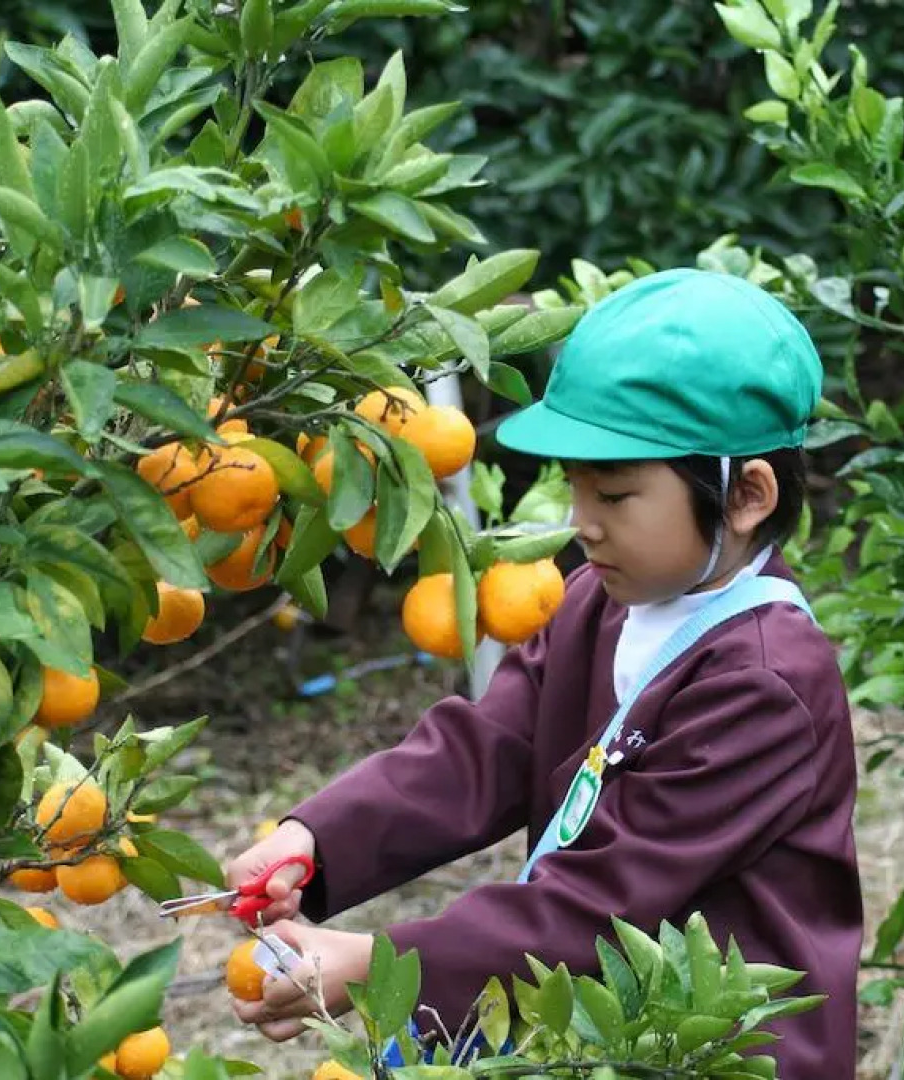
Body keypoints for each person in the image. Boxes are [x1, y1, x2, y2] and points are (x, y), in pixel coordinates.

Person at [223, 268, 863, 1078]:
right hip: (606, 1031)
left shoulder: (763, 683)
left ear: (747, 497)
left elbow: (603, 903)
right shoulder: (599, 599)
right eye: (574, 488)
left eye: (617, 495)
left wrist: (375, 964)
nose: (580, 523)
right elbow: (483, 748)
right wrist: (315, 840)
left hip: (720, 1052)